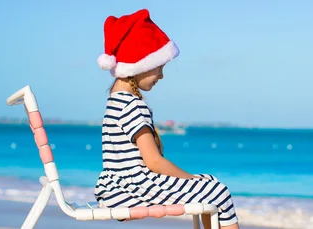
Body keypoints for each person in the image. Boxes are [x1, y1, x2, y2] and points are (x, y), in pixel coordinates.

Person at [93, 9, 240, 229]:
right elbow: (154, 162)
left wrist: (195, 180)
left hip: (116, 187)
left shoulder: (116, 101)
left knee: (209, 182)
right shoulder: (132, 105)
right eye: (159, 67)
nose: (161, 76)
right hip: (134, 188)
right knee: (218, 192)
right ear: (141, 64)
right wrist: (189, 178)